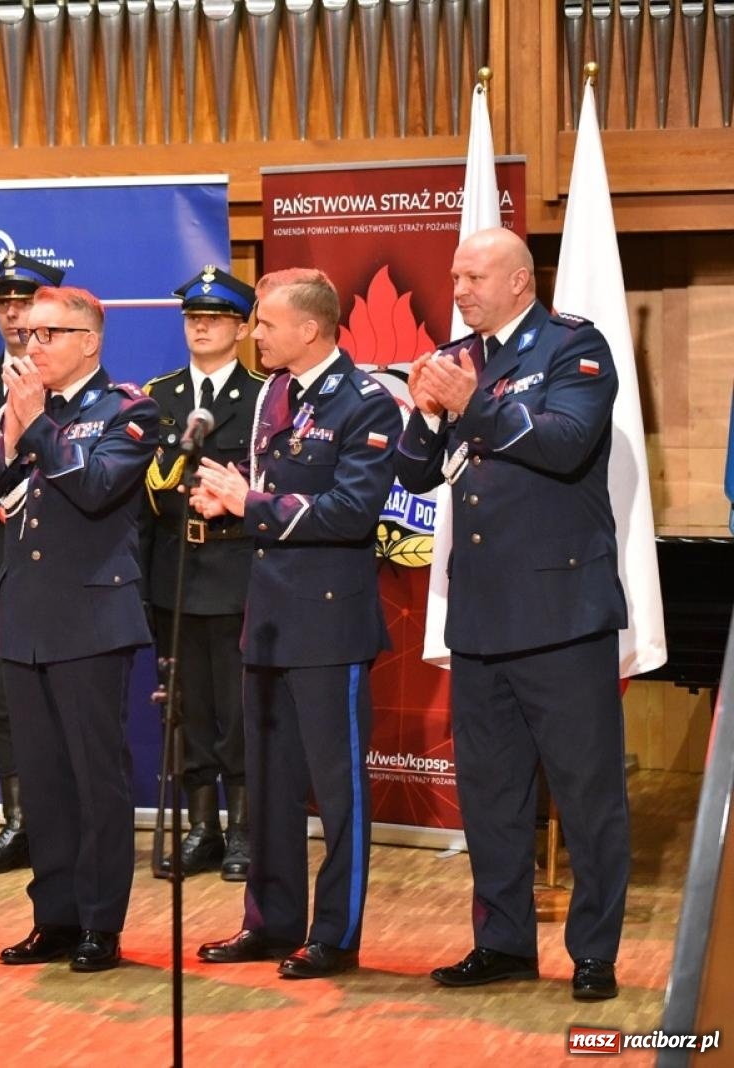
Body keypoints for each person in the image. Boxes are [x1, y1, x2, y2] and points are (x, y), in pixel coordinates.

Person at [396, 227, 630, 1002]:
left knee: (588, 793)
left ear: (521, 283)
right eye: (454, 275)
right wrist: (427, 414)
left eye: (473, 276)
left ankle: (594, 951)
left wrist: (472, 404)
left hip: (562, 612)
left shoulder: (574, 347)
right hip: (484, 615)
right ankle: (502, 943)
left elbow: (565, 444)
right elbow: (414, 473)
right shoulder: (460, 357)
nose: (458, 288)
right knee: (493, 795)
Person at [193, 268, 400, 980]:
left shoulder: (368, 403)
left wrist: (247, 503)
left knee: (337, 790)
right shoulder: (275, 392)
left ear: (309, 329)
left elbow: (348, 513)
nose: (256, 333)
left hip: (329, 622)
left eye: (267, 324)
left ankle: (335, 934)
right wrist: (231, 501)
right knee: (270, 782)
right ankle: (271, 921)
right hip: (270, 615)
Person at [0, 285, 158, 973]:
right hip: (25, 617)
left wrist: (36, 425)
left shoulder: (128, 410)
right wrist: (14, 435)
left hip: (92, 618)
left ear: (89, 342)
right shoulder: (26, 412)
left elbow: (98, 487)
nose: (31, 343)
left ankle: (101, 923)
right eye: (28, 333)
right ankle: (55, 917)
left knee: (95, 777)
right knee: (42, 780)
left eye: (48, 334)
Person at [142, 266, 263, 881]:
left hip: (238, 565)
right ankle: (201, 828)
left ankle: (243, 829)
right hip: (177, 569)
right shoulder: (157, 396)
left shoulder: (266, 394)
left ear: (242, 328)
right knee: (184, 707)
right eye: (193, 316)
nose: (201, 324)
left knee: (239, 709)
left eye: (215, 317)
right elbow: (144, 496)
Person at [0, 251, 65, 877]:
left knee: (60, 699)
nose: (14, 314)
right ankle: (18, 819)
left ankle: (60, 818)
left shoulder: (68, 377)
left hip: (56, 558)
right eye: (3, 303)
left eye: (24, 302)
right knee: (4, 699)